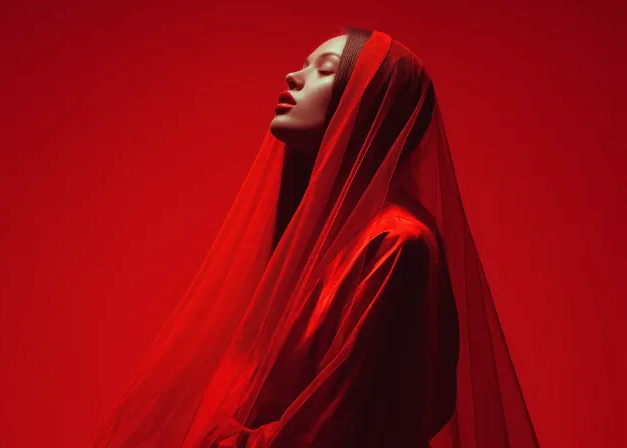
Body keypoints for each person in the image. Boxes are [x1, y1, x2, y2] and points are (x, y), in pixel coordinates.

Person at [93, 28, 541, 448]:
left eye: (325, 69)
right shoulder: (319, 249)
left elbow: (336, 424)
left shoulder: (396, 243)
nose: (294, 75)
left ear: (368, 103)